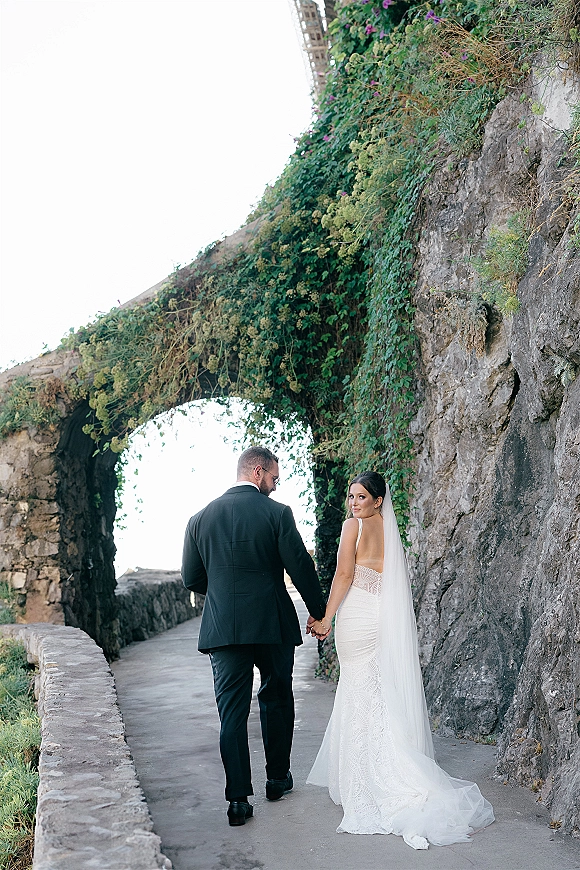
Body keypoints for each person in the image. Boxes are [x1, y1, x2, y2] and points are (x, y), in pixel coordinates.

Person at [306, 471, 494, 850]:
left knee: (360, 690)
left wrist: (326, 618)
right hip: (381, 618)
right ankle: (389, 766)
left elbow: (344, 574)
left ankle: (369, 778)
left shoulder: (351, 529)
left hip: (358, 616)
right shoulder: (391, 534)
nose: (353, 503)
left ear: (378, 500)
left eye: (361, 497)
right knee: (374, 689)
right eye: (350, 496)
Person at [181, 446, 326, 827]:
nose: (275, 487)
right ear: (258, 471)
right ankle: (277, 779)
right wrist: (319, 609)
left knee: (231, 711)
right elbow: (300, 565)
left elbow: (191, 579)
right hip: (271, 623)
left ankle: (238, 800)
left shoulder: (199, 519)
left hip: (224, 627)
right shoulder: (276, 513)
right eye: (274, 478)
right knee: (277, 697)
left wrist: (227, 591)